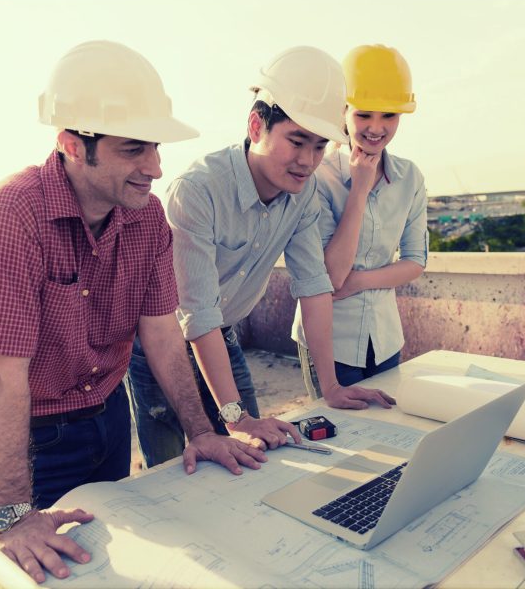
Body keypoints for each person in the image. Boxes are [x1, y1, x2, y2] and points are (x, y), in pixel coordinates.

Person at [0, 40, 266, 584]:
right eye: (132, 150)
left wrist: (203, 432)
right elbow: (1, 375)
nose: (155, 166)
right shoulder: (9, 218)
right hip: (35, 435)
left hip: (109, 418)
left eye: (155, 148)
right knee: (43, 570)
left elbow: (165, 337)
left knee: (103, 566)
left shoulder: (146, 222)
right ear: (74, 145)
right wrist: (9, 517)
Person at [129, 46, 396, 469]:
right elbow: (197, 314)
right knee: (170, 472)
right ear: (257, 126)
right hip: (161, 346)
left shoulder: (303, 193)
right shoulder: (197, 191)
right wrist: (234, 417)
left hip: (225, 334)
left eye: (318, 145)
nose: (308, 161)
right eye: (296, 141)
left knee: (257, 456)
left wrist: (331, 386)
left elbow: (314, 285)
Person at [292, 45, 429, 398]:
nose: (376, 128)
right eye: (364, 115)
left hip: (385, 341)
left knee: (386, 435)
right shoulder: (317, 178)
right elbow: (330, 277)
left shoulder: (410, 178)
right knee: (336, 439)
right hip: (331, 342)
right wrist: (359, 191)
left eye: (389, 116)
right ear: (344, 111)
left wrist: (361, 281)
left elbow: (416, 261)